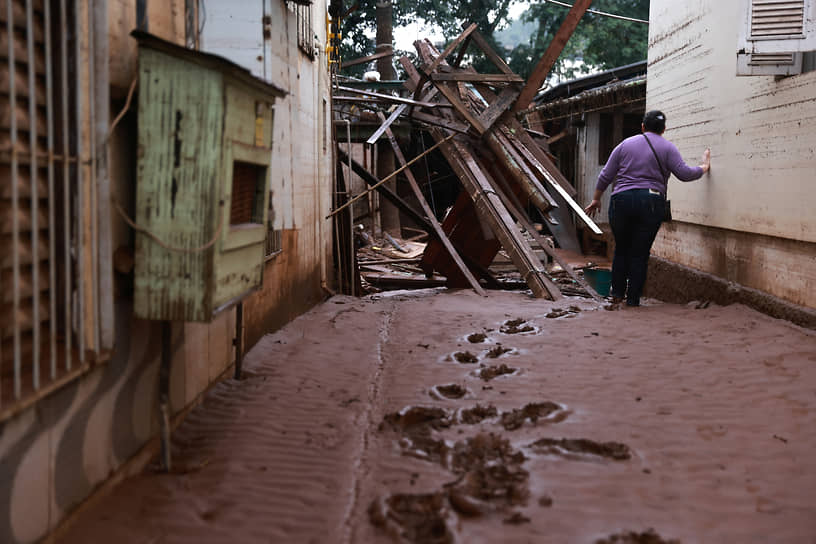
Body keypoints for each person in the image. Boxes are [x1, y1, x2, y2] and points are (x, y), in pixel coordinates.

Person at [584, 110, 711, 307]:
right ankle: (633, 300)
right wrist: (703, 167)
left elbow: (605, 175)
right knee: (640, 253)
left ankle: (617, 295)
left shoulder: (625, 145)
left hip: (622, 200)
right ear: (664, 129)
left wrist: (596, 199)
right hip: (651, 202)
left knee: (622, 249)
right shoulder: (668, 148)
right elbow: (685, 174)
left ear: (642, 126)